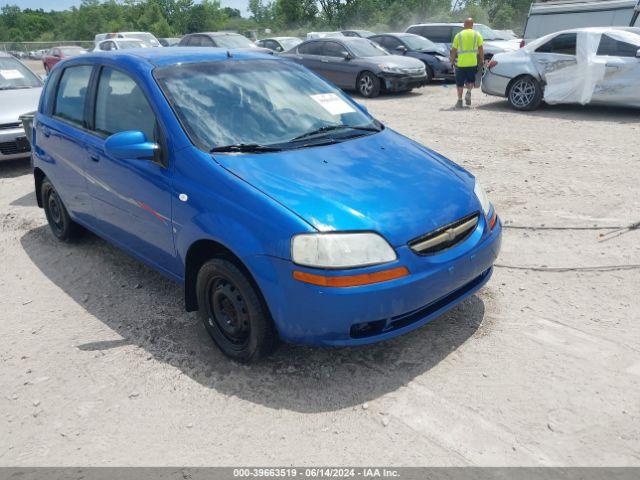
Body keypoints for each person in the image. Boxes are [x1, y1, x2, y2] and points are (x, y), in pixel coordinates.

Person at [450, 18, 484, 108]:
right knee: (471, 80)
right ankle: (468, 92)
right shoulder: (477, 34)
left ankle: (459, 101)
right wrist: (482, 60)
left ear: (464, 25)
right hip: (472, 63)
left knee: (459, 83)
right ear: (472, 25)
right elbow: (481, 49)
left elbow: (453, 50)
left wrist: (452, 60)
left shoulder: (459, 35)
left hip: (461, 64)